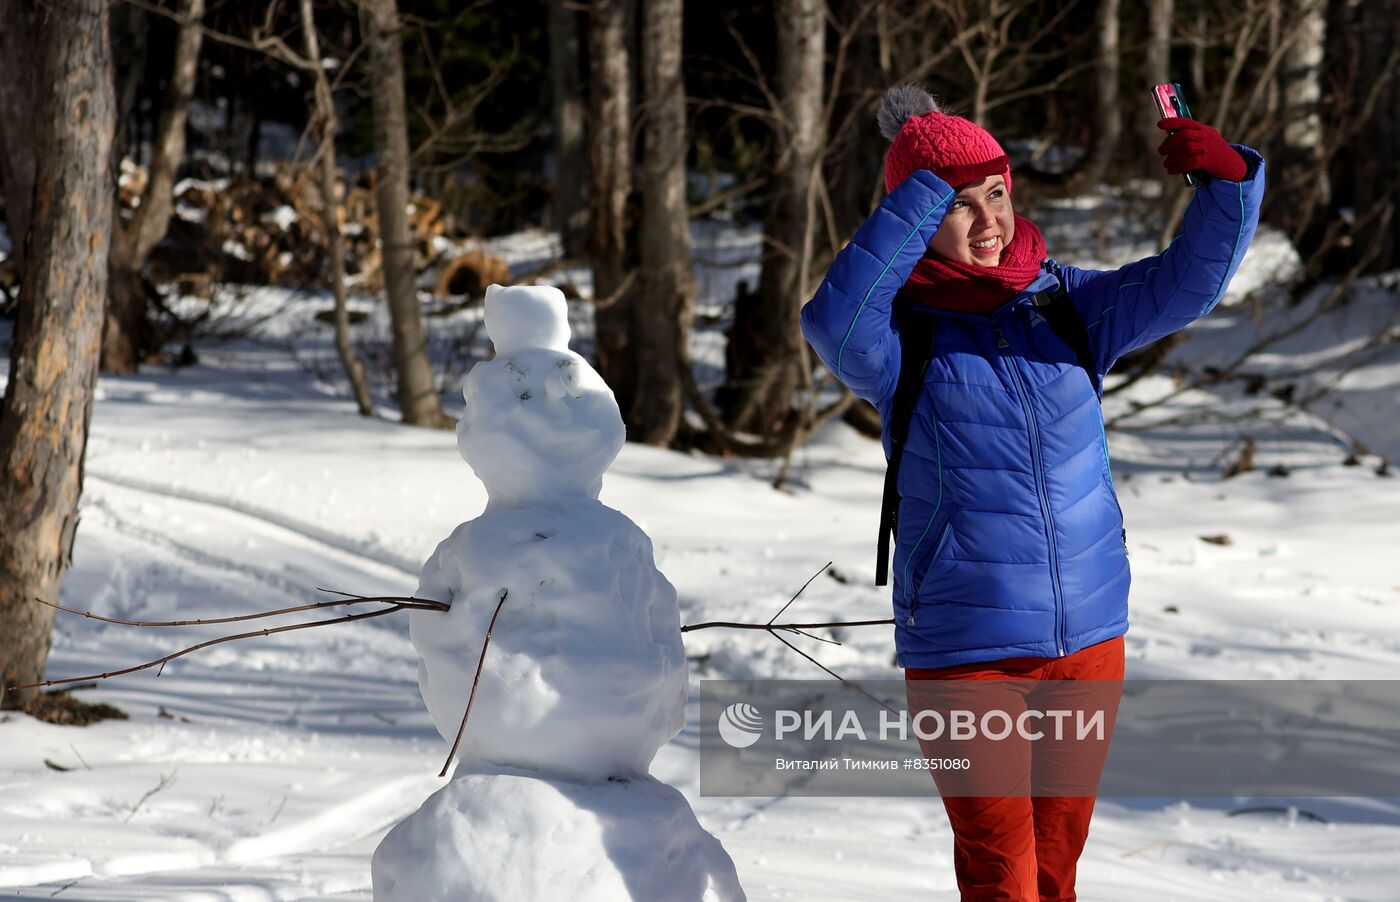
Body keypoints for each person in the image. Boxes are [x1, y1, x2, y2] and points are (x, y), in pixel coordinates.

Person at [799, 84, 1264, 901]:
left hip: (1089, 639)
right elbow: (831, 322)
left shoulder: (1067, 305)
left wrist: (1226, 186)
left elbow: (1189, 283)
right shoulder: (898, 337)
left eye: (997, 194)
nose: (989, 222)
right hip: (966, 651)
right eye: (958, 206)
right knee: (1003, 874)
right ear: (915, 213)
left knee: (1056, 872)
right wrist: (927, 184)